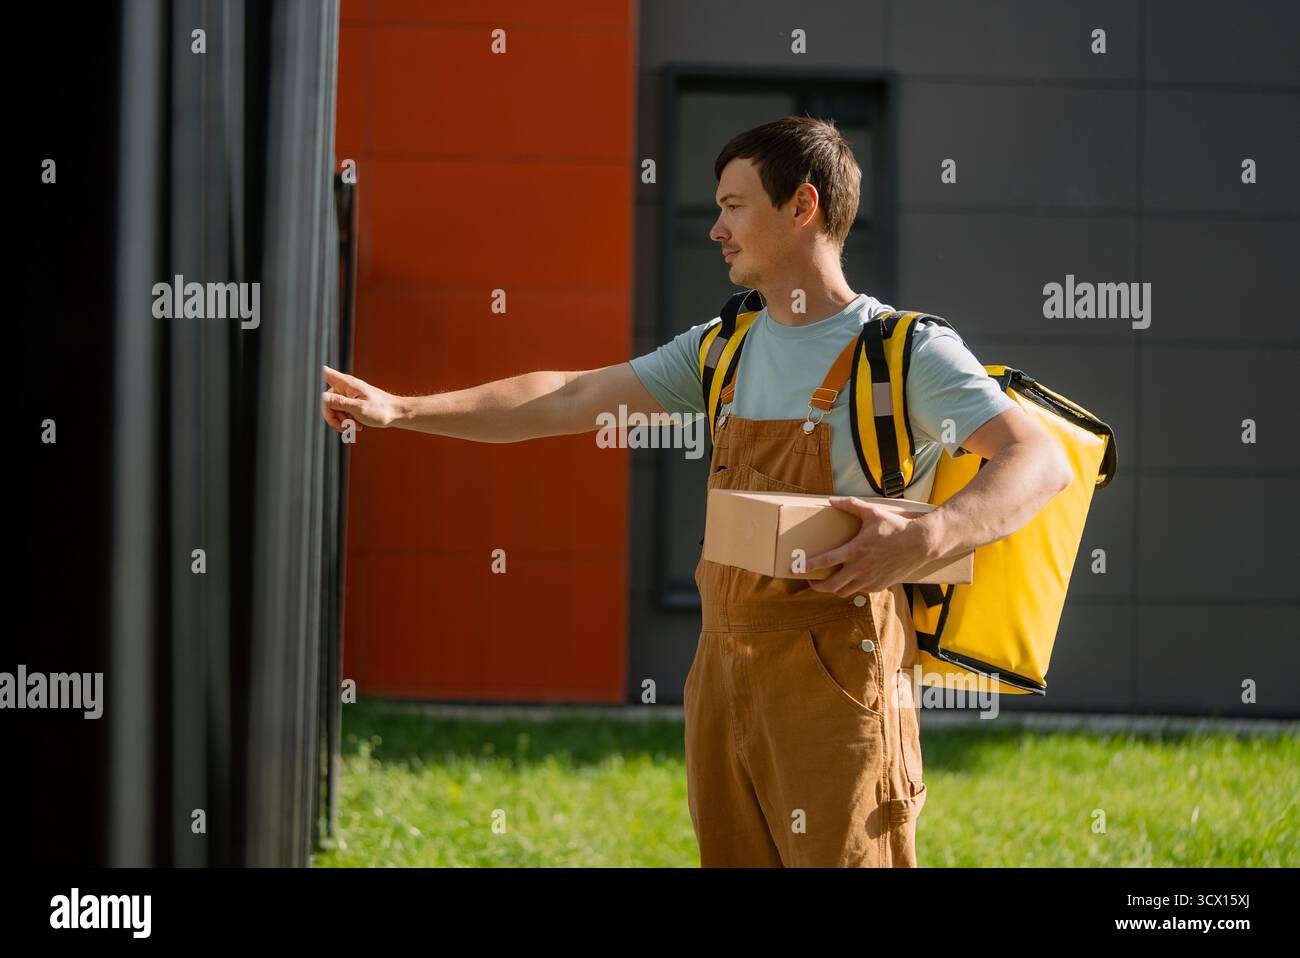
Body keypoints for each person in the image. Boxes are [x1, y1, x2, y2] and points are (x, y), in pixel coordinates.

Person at [320, 116, 1071, 867]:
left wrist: (930, 537)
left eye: (734, 205)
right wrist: (400, 410)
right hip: (722, 665)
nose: (716, 228)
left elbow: (1037, 459)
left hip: (841, 675)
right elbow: (568, 398)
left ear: (802, 206)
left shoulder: (903, 350)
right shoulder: (724, 346)